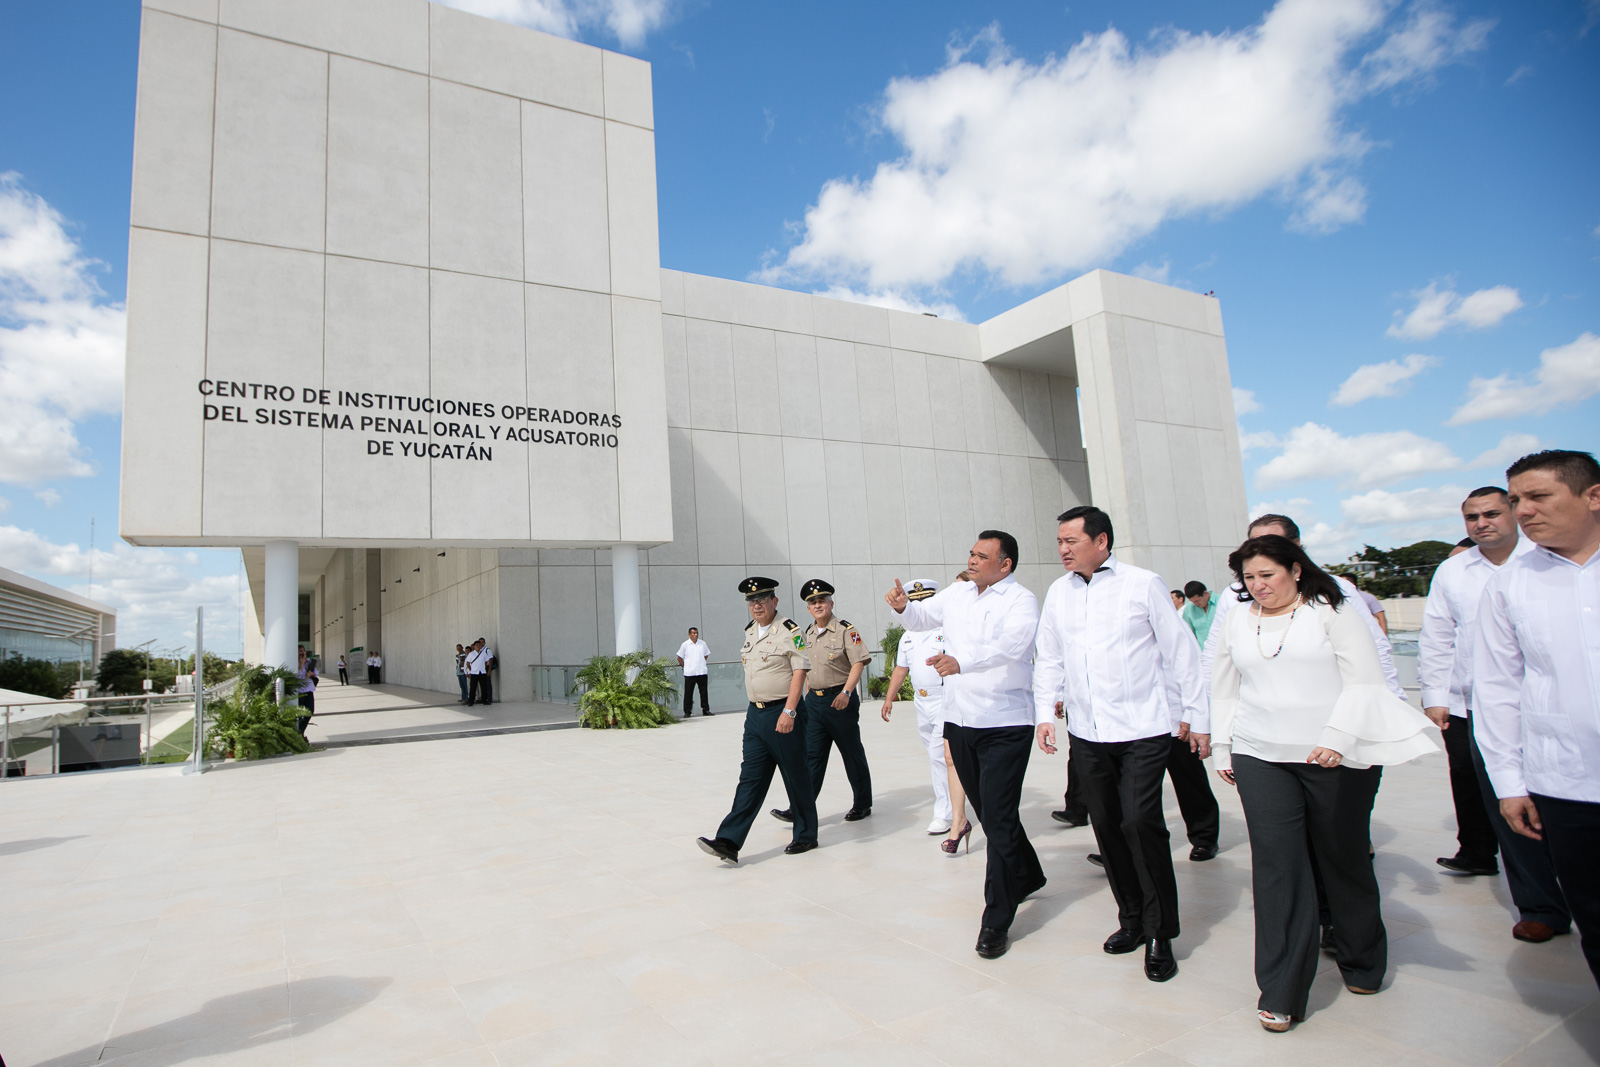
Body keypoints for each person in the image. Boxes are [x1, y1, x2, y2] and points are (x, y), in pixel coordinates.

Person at [1211, 535, 1439, 1032]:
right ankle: (1281, 990)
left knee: (1343, 857)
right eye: (1249, 578)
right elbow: (1223, 685)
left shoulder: (1331, 611)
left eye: (1267, 575)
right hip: (1260, 754)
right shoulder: (1236, 618)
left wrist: (1338, 737)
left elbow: (1365, 682)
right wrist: (1224, 748)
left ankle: (1362, 960)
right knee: (1277, 867)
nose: (1258, 586)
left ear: (1295, 570)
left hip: (1333, 756)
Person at [1034, 506, 1206, 983]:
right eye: (1060, 542)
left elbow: (1179, 651)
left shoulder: (1142, 583)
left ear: (1102, 541)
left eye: (1072, 540)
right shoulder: (1059, 592)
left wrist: (1197, 716)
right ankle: (1130, 918)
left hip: (1144, 729)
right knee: (1107, 827)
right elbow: (1048, 654)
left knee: (1139, 823)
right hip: (1088, 733)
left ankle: (1159, 932)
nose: (1064, 549)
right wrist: (1044, 713)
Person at [1474, 449, 1600, 987]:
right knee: (1594, 917)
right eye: (1518, 500)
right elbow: (1497, 687)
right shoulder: (1510, 583)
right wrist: (1509, 782)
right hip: (1566, 785)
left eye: (1539, 497)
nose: (1523, 511)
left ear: (1593, 497)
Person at [889, 531, 1043, 961]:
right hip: (959, 720)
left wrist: (962, 662)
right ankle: (1028, 873)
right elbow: (922, 618)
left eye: (982, 555)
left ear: (1005, 564)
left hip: (1005, 722)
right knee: (994, 814)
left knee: (997, 814)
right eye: (972, 553)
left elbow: (1013, 646)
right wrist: (904, 606)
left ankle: (996, 919)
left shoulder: (1020, 600)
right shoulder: (957, 593)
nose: (972, 560)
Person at [1419, 486, 1559, 939]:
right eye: (1472, 517)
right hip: (1477, 706)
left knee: (1563, 801)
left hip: (1551, 703)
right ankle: (1539, 906)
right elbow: (1437, 635)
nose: (1482, 523)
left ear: (1514, 513)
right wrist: (1436, 694)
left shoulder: (1547, 558)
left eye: (1492, 513)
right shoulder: (1453, 571)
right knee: (1506, 802)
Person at [698, 577, 817, 864]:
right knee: (750, 778)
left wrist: (790, 711)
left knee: (795, 776)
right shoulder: (751, 632)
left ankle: (806, 835)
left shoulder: (790, 631)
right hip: (755, 716)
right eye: (752, 601)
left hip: (782, 713)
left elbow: (799, 671)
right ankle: (729, 840)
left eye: (763, 599)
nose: (757, 605)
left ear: (774, 601)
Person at [772, 580, 872, 824]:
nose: (817, 605)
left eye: (821, 601)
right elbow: (804, 666)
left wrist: (847, 693)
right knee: (811, 758)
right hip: (814, 704)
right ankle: (800, 808)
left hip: (840, 701)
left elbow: (858, 662)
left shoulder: (846, 630)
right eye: (812, 602)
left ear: (831, 603)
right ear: (808, 608)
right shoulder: (806, 633)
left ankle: (862, 804)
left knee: (851, 753)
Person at [879, 579, 969, 844]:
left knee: (941, 756)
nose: (918, 606)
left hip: (945, 698)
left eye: (923, 601)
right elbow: (901, 669)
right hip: (922, 701)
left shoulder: (944, 630)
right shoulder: (908, 636)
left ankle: (946, 813)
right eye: (914, 601)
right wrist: (889, 698)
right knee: (936, 757)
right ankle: (955, 806)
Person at [676, 627, 712, 717]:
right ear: (689, 634)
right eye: (693, 633)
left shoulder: (702, 644)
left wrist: (702, 663)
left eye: (696, 633)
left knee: (704, 692)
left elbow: (706, 655)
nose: (695, 635)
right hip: (690, 673)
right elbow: (679, 657)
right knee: (688, 693)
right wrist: (685, 666)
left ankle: (706, 710)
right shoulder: (685, 645)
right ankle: (687, 711)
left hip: (701, 672)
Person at [1180, 581, 1217, 646]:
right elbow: (1188, 634)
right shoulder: (1189, 609)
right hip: (1204, 653)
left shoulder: (1221, 601)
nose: (1195, 604)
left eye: (1197, 601)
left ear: (1205, 593)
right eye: (1192, 601)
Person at [294, 644, 318, 735]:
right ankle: (298, 733)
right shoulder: (295, 663)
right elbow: (298, 676)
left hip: (309, 690)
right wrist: (301, 664)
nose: (302, 652)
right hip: (299, 691)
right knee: (300, 714)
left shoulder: (309, 661)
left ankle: (300, 731)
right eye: (300, 651)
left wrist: (312, 674)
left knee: (310, 711)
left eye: (303, 650)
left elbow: (316, 672)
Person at [465, 638, 494, 706]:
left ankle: (485, 700)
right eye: (477, 645)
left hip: (482, 672)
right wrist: (471, 669)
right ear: (474, 646)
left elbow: (486, 661)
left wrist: (483, 668)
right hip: (474, 672)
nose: (478, 646)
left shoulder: (483, 653)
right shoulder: (471, 654)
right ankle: (471, 701)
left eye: (479, 645)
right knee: (473, 687)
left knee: (484, 687)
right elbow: (468, 663)